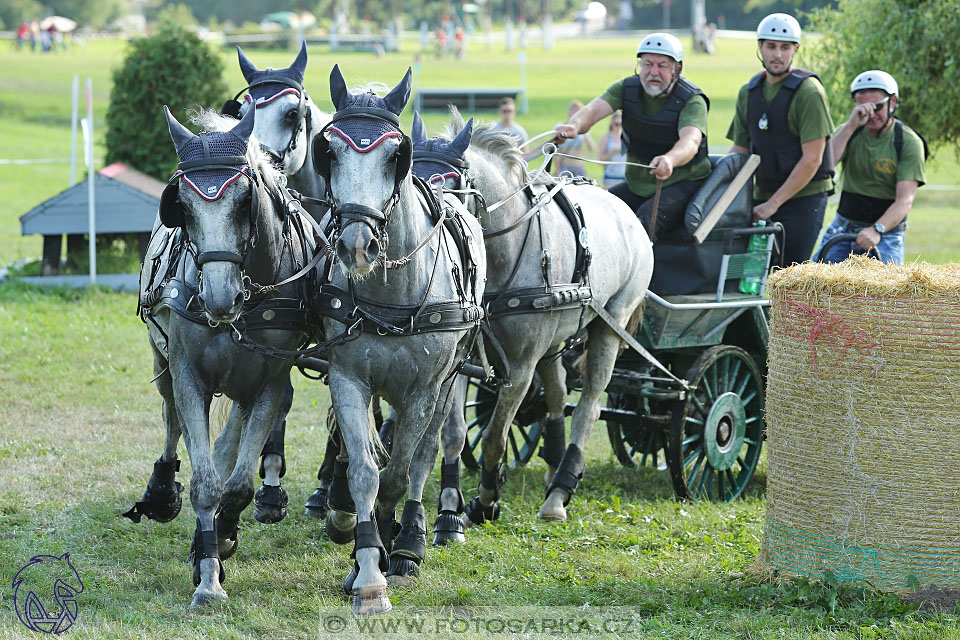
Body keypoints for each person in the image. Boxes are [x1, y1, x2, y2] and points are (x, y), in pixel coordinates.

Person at [553, 33, 711, 236]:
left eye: (662, 65)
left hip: (683, 183)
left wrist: (670, 160)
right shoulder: (626, 88)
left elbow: (690, 141)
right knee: (594, 209)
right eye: (647, 64)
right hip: (638, 184)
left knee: (643, 221)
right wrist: (573, 126)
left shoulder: (691, 100)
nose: (653, 72)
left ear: (676, 69)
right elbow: (593, 110)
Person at [727, 13, 835, 266]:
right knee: (746, 274)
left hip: (803, 199)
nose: (777, 54)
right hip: (761, 194)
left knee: (791, 276)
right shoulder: (749, 92)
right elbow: (739, 151)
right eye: (771, 46)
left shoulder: (808, 92)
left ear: (795, 50)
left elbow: (812, 159)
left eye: (785, 48)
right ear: (760, 48)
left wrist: (772, 205)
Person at [815, 70, 927, 265]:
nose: (871, 115)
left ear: (893, 102)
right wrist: (850, 126)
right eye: (863, 108)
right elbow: (825, 164)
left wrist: (877, 230)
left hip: (886, 234)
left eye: (877, 107)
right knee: (815, 286)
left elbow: (905, 200)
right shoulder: (850, 132)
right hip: (843, 228)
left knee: (884, 293)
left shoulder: (908, 142)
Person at [553, 100, 595, 177]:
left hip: (578, 167)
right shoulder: (560, 127)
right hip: (565, 166)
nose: (574, 113)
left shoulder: (583, 129)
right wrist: (558, 170)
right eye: (573, 110)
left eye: (578, 111)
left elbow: (591, 147)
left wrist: (585, 131)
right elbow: (554, 152)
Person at [598, 110, 626, 188]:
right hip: (610, 176)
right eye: (616, 124)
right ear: (612, 123)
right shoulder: (606, 137)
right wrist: (612, 152)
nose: (618, 127)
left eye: (621, 124)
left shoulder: (627, 138)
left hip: (624, 176)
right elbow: (600, 159)